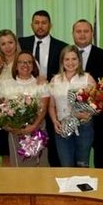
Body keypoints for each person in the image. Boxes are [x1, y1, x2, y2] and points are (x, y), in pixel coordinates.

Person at [18, 10, 67, 167]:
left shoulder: (61, 46)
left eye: (43, 23)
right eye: (37, 22)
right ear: (31, 24)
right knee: (28, 145)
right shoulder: (22, 43)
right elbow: (6, 54)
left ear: (50, 25)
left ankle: (53, 175)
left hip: (52, 100)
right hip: (28, 102)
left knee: (52, 143)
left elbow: (65, 71)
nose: (40, 26)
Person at [71, 19, 103, 169]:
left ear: (92, 34)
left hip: (98, 117)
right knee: (73, 158)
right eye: (78, 31)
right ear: (73, 34)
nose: (82, 35)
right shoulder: (66, 55)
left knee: (100, 156)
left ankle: (101, 189)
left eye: (86, 31)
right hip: (71, 117)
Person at [0, 51, 50, 167]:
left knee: (40, 166)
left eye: (29, 62)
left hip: (38, 130)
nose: (25, 65)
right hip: (15, 132)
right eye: (21, 62)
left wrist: (33, 126)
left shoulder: (41, 84)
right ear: (16, 65)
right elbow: (1, 110)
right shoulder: (6, 85)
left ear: (33, 66)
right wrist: (8, 126)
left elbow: (44, 109)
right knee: (19, 168)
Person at [48, 45, 97, 167]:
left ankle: (82, 186)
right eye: (67, 59)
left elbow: (97, 104)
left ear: (79, 61)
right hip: (62, 126)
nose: (70, 63)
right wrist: (54, 121)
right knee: (66, 166)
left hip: (84, 127)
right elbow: (51, 106)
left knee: (82, 165)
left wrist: (87, 113)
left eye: (74, 59)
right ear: (62, 61)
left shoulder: (87, 79)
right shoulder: (55, 80)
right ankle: (68, 187)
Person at [0, 29, 20, 166]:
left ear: (16, 43)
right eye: (3, 44)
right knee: (5, 155)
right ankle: (7, 186)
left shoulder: (24, 61)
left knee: (22, 153)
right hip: (0, 115)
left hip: (21, 115)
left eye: (10, 42)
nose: (7, 47)